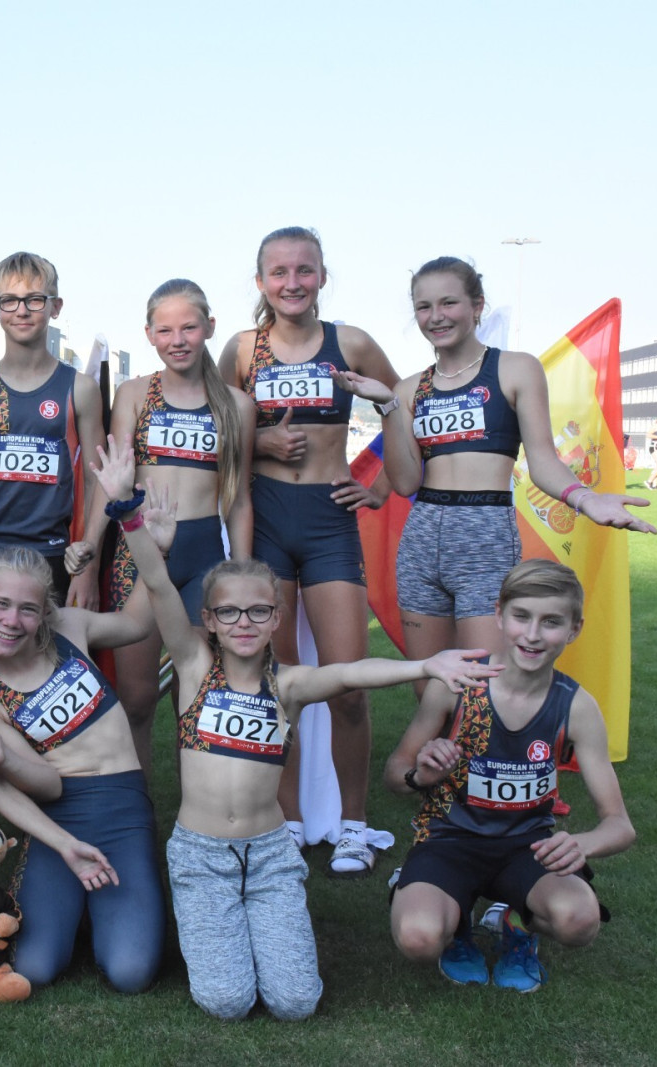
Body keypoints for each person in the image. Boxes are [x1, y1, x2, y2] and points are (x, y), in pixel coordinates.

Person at [89, 437, 495, 1018]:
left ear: (277, 617)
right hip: (201, 855)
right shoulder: (194, 665)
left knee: (296, 1002)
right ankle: (224, 925)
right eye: (229, 612)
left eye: (259, 610)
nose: (244, 622)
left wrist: (426, 665)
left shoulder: (290, 685)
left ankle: (263, 922)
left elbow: (353, 671)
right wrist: (127, 513)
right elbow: (156, 584)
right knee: (227, 1001)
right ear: (209, 620)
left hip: (271, 856)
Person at [333, 257, 654, 668]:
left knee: (483, 683)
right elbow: (406, 482)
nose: (436, 316)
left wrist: (586, 499)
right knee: (430, 684)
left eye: (449, 303)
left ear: (477, 305)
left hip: (486, 537)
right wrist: (389, 407)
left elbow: (542, 461)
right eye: (424, 307)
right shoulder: (409, 388)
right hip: (421, 540)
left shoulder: (516, 369)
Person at [218, 226, 400, 876]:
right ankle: (288, 820)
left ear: (322, 275)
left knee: (348, 683)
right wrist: (261, 443)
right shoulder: (242, 350)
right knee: (279, 686)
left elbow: (405, 407)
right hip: (266, 522)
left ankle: (354, 824)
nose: (292, 282)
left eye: (304, 270)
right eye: (279, 272)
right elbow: (216, 433)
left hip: (328, 522)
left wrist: (379, 488)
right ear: (260, 281)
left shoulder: (351, 343)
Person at [385, 560, 634, 992]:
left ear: (574, 629)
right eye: (522, 616)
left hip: (527, 847)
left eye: (551, 622)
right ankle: (455, 922)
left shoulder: (576, 707)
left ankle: (517, 924)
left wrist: (583, 844)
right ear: (499, 614)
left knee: (580, 921)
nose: (533, 635)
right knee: (418, 939)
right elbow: (394, 774)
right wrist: (420, 775)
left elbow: (620, 825)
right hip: (449, 841)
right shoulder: (459, 685)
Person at [65, 279, 255, 777]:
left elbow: (238, 497)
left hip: (204, 555)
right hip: (141, 552)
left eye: (189, 327)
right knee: (137, 698)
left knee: (198, 697)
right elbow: (109, 480)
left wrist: (242, 571)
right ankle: (137, 810)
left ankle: (200, 811)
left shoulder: (236, 405)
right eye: (165, 330)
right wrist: (88, 553)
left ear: (209, 327)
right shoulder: (134, 393)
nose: (178, 340)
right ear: (149, 335)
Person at [0, 542, 162, 993]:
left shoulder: (70, 626)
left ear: (45, 612)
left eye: (28, 609)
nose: (12, 621)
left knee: (130, 972)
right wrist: (3, 757)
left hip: (123, 809)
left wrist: (156, 551)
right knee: (34, 966)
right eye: (1, 605)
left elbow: (137, 624)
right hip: (60, 820)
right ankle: (77, 905)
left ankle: (99, 913)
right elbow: (48, 785)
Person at [0, 251, 105, 677]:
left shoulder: (80, 389)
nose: (22, 310)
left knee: (47, 679)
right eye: (10, 300)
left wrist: (88, 566)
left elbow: (98, 480)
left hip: (52, 556)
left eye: (35, 299)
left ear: (55, 306)